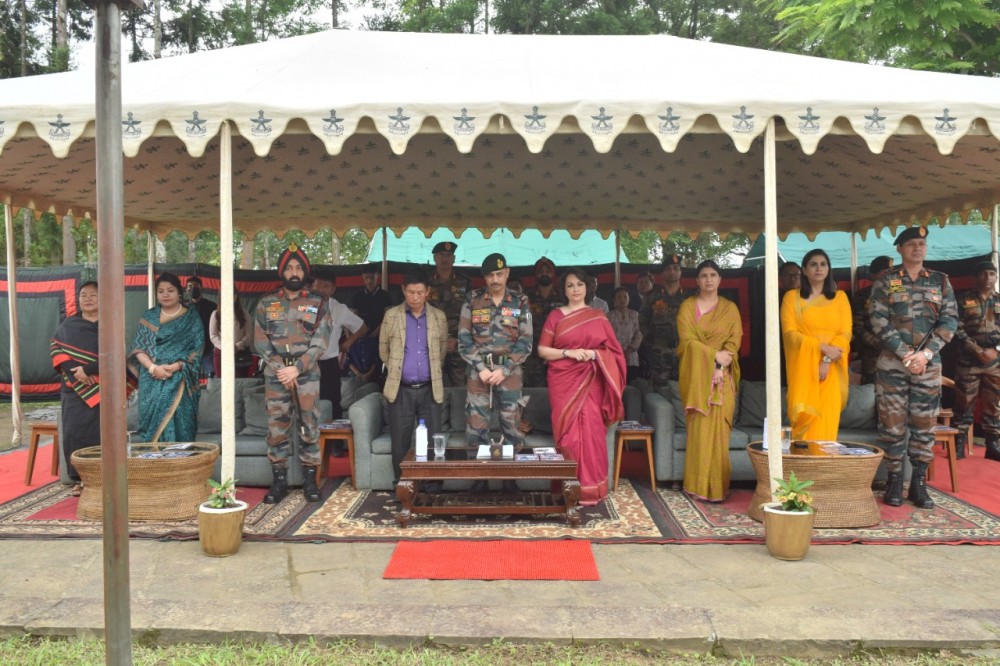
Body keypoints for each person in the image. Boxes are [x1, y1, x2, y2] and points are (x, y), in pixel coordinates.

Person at [870, 226, 958, 509]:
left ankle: (919, 484)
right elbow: (878, 320)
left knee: (924, 425)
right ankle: (894, 480)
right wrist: (906, 354)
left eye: (921, 244)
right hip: (893, 365)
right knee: (892, 425)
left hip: (928, 366)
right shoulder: (886, 281)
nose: (917, 248)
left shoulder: (940, 281)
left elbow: (949, 321)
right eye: (911, 244)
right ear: (899, 249)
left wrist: (926, 355)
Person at [537, 267, 625, 505]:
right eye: (570, 285)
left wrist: (595, 354)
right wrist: (569, 352)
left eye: (579, 284)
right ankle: (568, 488)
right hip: (563, 382)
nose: (575, 289)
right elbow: (543, 350)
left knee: (593, 434)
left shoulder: (598, 316)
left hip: (592, 381)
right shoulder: (556, 316)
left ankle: (591, 490)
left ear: (588, 287)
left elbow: (614, 352)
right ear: (563, 290)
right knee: (568, 439)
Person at [253, 245, 332, 503]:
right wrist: (281, 369)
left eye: (298, 267)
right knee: (277, 428)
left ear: (305, 271)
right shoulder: (267, 303)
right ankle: (279, 483)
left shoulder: (319, 302)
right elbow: (261, 341)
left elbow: (321, 342)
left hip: (306, 375)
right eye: (289, 267)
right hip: (276, 376)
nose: (294, 272)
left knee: (309, 426)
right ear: (281, 271)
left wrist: (296, 369)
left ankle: (311, 482)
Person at [458, 252, 532, 492]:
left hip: (510, 374)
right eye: (490, 275)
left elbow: (526, 341)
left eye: (500, 273)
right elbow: (464, 338)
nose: (496, 279)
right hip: (478, 374)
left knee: (511, 427)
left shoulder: (520, 301)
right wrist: (480, 368)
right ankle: (478, 479)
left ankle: (510, 479)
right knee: (476, 427)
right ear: (484, 277)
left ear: (507, 273)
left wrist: (505, 368)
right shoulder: (472, 299)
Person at [676, 260, 742, 502]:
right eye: (703, 275)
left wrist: (720, 364)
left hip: (723, 379)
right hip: (696, 378)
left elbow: (734, 341)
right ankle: (697, 486)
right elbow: (687, 341)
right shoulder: (687, 307)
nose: (708, 279)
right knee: (699, 434)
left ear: (720, 279)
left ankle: (717, 488)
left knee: (719, 437)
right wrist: (712, 356)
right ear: (696, 280)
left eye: (713, 275)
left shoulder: (729, 308)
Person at [380, 271, 448, 485]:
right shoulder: (391, 316)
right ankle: (403, 487)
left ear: (428, 292)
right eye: (411, 292)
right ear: (403, 290)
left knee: (433, 440)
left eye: (420, 292)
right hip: (401, 389)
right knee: (400, 442)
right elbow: (384, 350)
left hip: (430, 388)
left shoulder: (439, 316)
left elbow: (442, 350)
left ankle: (432, 486)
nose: (415, 297)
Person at [781, 249, 852, 442]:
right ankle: (801, 470)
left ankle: (823, 471)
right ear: (804, 270)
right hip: (803, 369)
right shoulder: (791, 298)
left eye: (823, 264)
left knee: (826, 425)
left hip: (831, 371)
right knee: (803, 421)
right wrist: (820, 347)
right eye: (813, 264)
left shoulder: (840, 298)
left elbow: (845, 333)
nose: (818, 268)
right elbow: (790, 333)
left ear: (829, 269)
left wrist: (827, 360)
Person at [128, 272, 204, 443]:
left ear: (179, 292)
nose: (165, 294)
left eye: (170, 290)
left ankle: (180, 466)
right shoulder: (150, 317)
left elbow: (197, 349)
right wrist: (153, 368)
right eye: (161, 291)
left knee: (182, 424)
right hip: (152, 378)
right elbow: (139, 349)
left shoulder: (191, 317)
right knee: (152, 429)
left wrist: (177, 366)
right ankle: (157, 467)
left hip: (180, 378)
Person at [49, 282, 106, 495]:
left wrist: (90, 369)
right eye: (83, 295)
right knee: (75, 434)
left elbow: (115, 353)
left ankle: (102, 478)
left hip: (102, 387)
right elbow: (56, 350)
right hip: (73, 388)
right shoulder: (68, 326)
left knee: (100, 434)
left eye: (93, 294)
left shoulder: (110, 324)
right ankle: (78, 480)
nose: (88, 299)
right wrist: (77, 372)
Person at [953, 261, 1000, 460]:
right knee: (964, 402)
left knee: (994, 404)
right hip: (968, 361)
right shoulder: (963, 300)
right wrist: (975, 348)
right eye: (983, 274)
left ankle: (993, 445)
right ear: (975, 277)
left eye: (992, 274)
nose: (988, 278)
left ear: (996, 277)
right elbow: (956, 326)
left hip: (995, 362)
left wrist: (995, 350)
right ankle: (959, 443)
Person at [310, 270, 367, 420]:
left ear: (333, 289)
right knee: (307, 405)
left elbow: (362, 327)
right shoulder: (301, 306)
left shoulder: (339, 309)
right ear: (311, 286)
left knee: (332, 404)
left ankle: (334, 443)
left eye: (326, 286)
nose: (321, 290)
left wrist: (348, 343)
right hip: (306, 364)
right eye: (318, 286)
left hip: (329, 365)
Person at [428, 241, 472, 386]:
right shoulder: (425, 283)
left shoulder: (465, 282)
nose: (445, 258)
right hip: (433, 343)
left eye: (449, 255)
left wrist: (457, 339)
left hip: (458, 343)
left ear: (454, 258)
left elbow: (472, 314)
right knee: (433, 386)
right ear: (435, 258)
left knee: (460, 387)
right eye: (441, 255)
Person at [640, 254, 687, 389]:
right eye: (668, 269)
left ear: (680, 272)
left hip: (683, 351)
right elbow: (643, 321)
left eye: (675, 268)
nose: (672, 271)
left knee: (682, 390)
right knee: (660, 390)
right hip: (659, 353)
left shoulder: (689, 297)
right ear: (661, 274)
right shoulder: (651, 296)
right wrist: (653, 345)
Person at [852, 256, 894, 384]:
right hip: (872, 352)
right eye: (885, 272)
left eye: (891, 271)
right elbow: (856, 325)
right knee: (871, 388)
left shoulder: (899, 293)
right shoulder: (863, 295)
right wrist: (875, 342)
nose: (889, 275)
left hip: (896, 350)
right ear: (873, 275)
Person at [524, 257, 563, 387]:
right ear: (536, 274)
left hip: (556, 352)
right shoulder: (527, 296)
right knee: (534, 394)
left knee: (558, 391)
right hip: (533, 354)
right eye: (541, 271)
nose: (544, 273)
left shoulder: (563, 296)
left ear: (553, 274)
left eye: (548, 270)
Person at [350, 263, 390, 384]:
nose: (369, 281)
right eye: (366, 278)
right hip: (361, 336)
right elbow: (353, 317)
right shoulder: (357, 296)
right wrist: (361, 332)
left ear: (377, 276)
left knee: (378, 367)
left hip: (380, 336)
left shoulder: (385, 296)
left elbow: (387, 319)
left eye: (371, 278)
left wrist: (375, 334)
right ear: (362, 277)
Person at [208, 288, 254, 378]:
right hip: (221, 354)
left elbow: (249, 335)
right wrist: (226, 348)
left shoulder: (244, 313)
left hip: (240, 354)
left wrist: (238, 346)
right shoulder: (216, 314)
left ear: (236, 297)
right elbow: (213, 336)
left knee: (239, 385)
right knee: (223, 385)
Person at [184, 276, 217, 378]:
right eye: (189, 287)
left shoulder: (212, 306)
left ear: (201, 289)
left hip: (208, 350)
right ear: (186, 289)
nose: (192, 289)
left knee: (213, 377)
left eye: (195, 287)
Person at [608, 287, 642, 383]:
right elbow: (606, 336)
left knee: (631, 384)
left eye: (624, 297)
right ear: (614, 300)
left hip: (631, 356)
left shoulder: (635, 315)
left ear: (628, 299)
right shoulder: (608, 316)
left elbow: (638, 334)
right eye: (619, 297)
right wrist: (618, 351)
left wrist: (629, 350)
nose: (622, 299)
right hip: (614, 356)